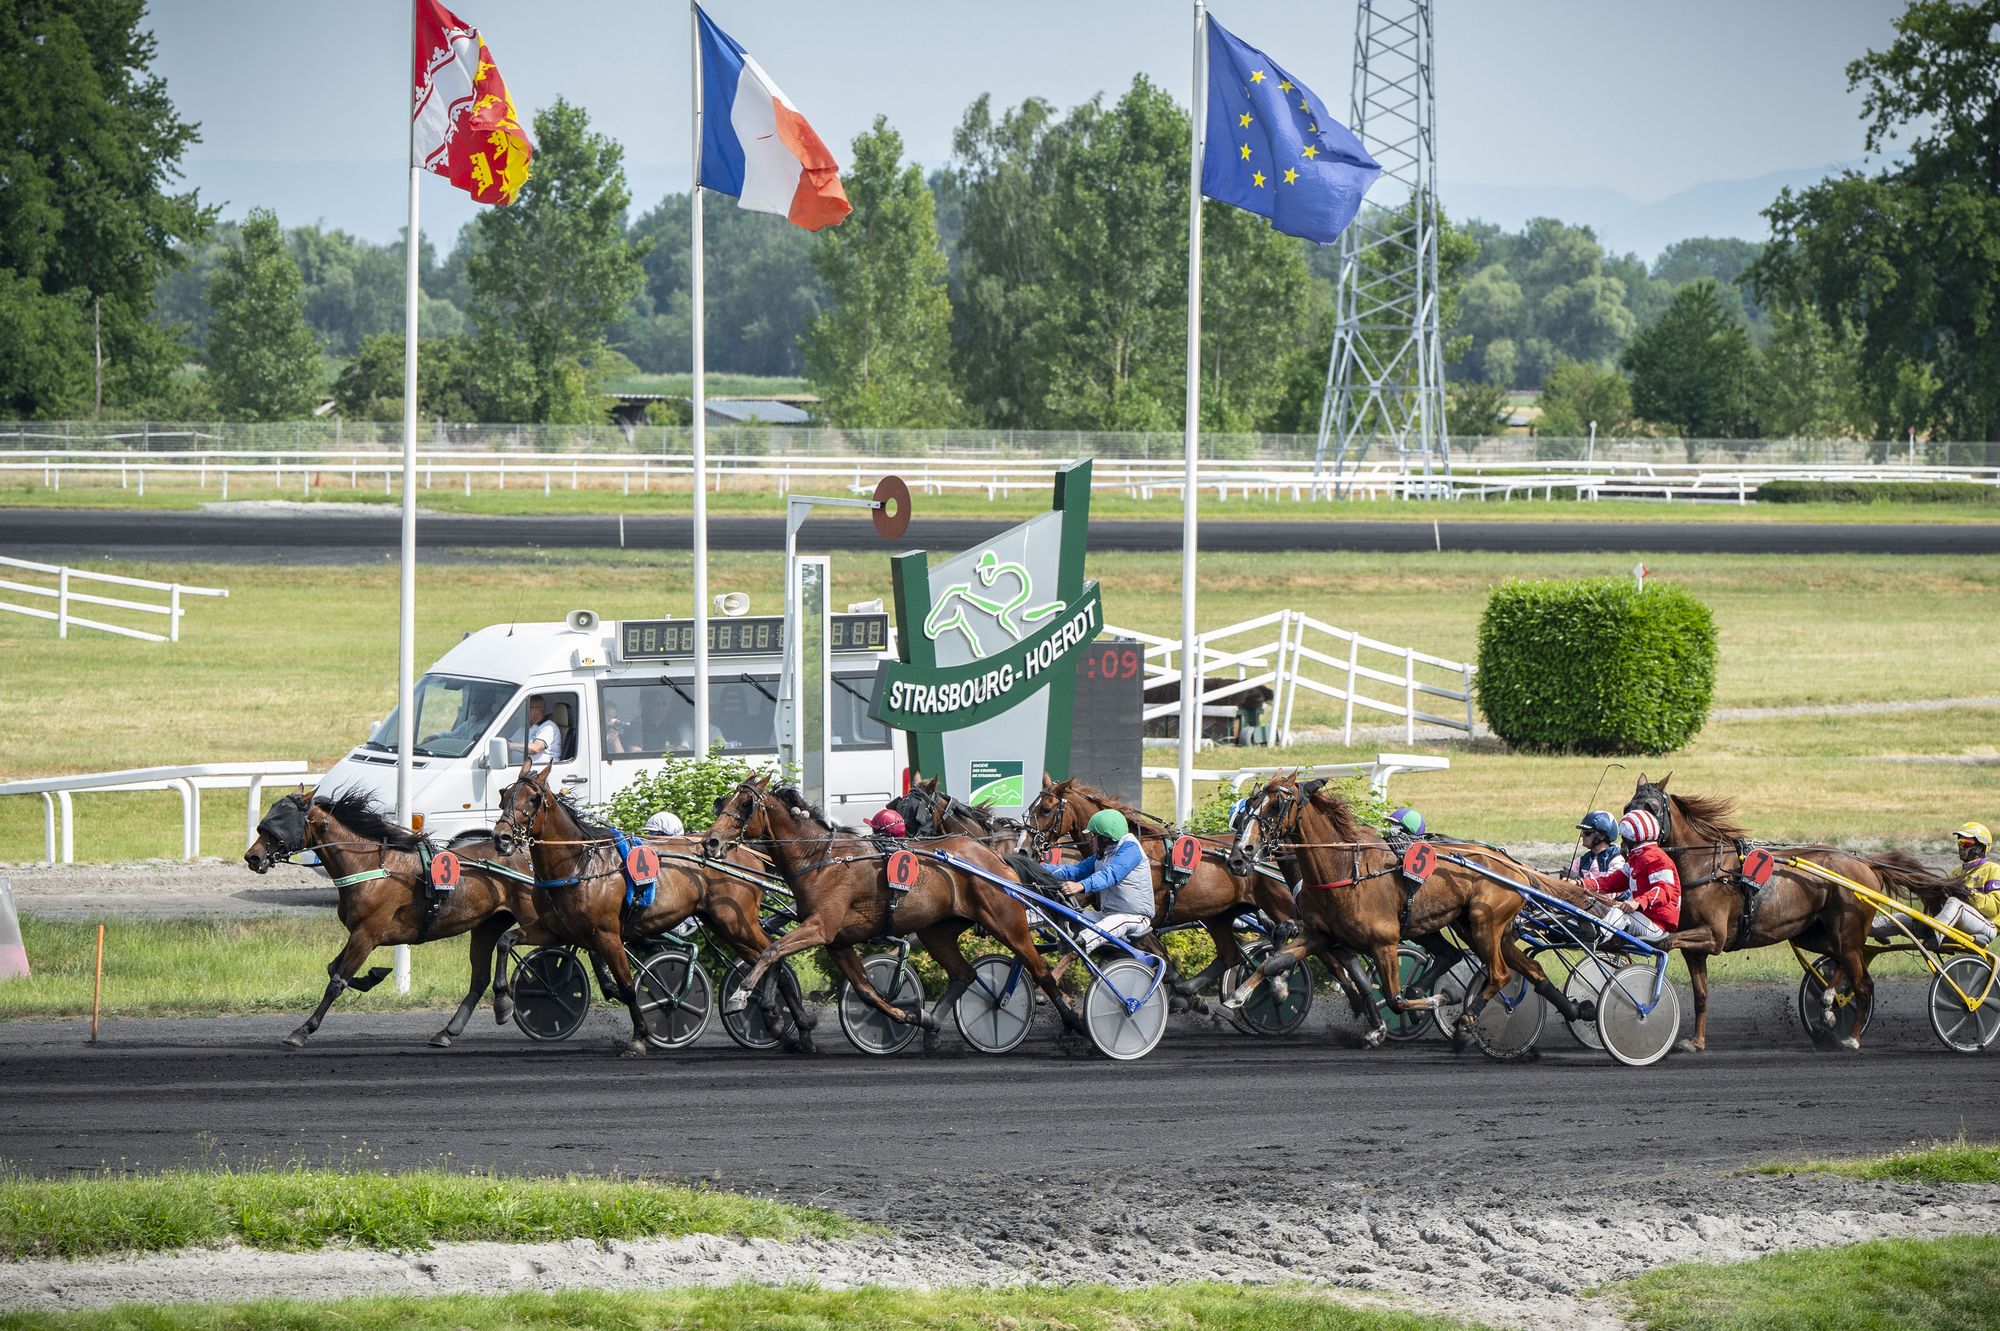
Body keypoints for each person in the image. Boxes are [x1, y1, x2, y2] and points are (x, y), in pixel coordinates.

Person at [1044, 808, 1155, 952]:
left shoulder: (1131, 849)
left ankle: (1079, 944)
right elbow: (1074, 872)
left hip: (1134, 917)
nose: (1090, 839)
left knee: (1115, 921)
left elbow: (1110, 875)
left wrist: (1081, 886)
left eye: (1093, 835)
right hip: (1106, 915)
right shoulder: (1101, 856)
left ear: (1105, 838)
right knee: (1068, 912)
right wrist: (1038, 867)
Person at [1578, 810, 1679, 944]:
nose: (1621, 844)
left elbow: (1663, 891)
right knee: (1594, 903)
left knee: (1619, 912)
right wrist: (1583, 884)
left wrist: (1637, 902)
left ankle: (1597, 938)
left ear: (1631, 840)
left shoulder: (1658, 859)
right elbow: (1611, 882)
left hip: (1656, 925)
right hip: (1640, 917)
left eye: (1624, 839)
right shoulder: (1636, 858)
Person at [1570, 811, 1627, 878]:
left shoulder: (1617, 859)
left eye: (1587, 833)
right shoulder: (1580, 861)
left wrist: (1579, 882)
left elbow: (1610, 885)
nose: (1582, 835)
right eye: (1582, 832)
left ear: (1601, 836)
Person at [510, 694, 561, 765]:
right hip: (519, 769)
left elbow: (535, 748)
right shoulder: (523, 728)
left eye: (527, 707)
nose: (523, 711)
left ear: (538, 709)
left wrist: (508, 745)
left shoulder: (548, 727)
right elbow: (509, 742)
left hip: (540, 773)